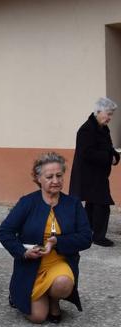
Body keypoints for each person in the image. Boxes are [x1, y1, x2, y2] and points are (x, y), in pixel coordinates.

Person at [0, 152, 91, 323]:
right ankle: (17, 293)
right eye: (49, 176)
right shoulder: (27, 202)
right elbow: (5, 232)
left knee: (63, 284)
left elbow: (86, 237)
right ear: (38, 178)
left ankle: (54, 301)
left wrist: (58, 242)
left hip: (59, 262)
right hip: (31, 265)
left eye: (59, 175)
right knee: (38, 317)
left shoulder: (73, 204)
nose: (55, 180)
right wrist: (23, 252)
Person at [69, 97, 119, 247]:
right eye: (108, 114)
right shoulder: (86, 130)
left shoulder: (103, 128)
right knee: (102, 204)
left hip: (99, 175)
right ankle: (98, 236)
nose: (110, 118)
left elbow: (109, 147)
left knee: (93, 204)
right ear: (98, 112)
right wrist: (109, 157)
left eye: (111, 115)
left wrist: (116, 156)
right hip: (88, 175)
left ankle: (88, 232)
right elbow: (87, 153)